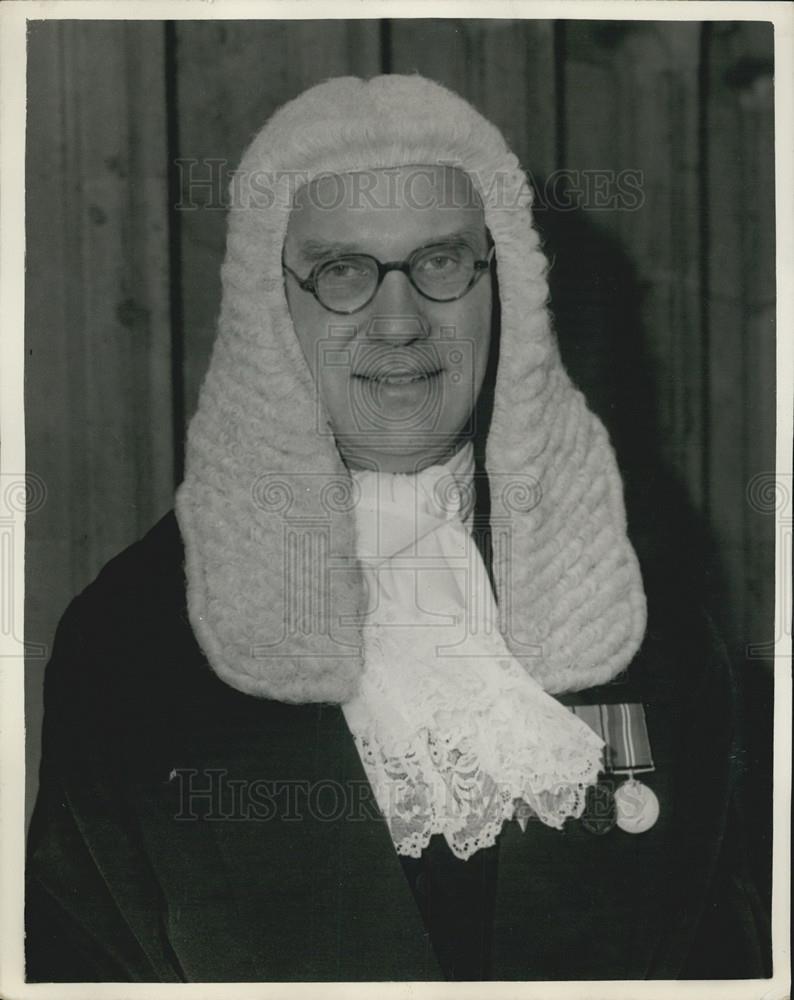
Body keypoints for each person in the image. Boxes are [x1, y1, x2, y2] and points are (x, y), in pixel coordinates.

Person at [25, 74, 770, 982]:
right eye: (342, 271)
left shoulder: (646, 621)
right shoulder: (130, 642)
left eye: (442, 262)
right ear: (272, 307)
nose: (400, 319)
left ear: (507, 290)